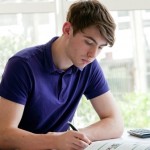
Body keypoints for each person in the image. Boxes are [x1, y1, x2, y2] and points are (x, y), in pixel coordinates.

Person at [0, 0, 124, 149]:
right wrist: (54, 141)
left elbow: (115, 123)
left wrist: (75, 137)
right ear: (67, 30)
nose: (93, 54)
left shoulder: (88, 66)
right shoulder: (23, 65)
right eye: (88, 42)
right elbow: (4, 135)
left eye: (100, 47)